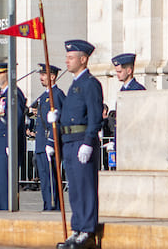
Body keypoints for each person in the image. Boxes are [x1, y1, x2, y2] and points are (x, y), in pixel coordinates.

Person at [56, 39, 104, 249]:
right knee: (74, 188)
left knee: (85, 187)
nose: (67, 60)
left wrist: (88, 142)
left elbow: (95, 116)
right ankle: (77, 228)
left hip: (81, 141)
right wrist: (57, 117)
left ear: (83, 60)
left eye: (71, 57)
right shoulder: (75, 83)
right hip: (69, 141)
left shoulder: (90, 84)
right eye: (67, 57)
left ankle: (87, 230)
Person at [0, 62, 26, 211]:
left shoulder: (14, 94)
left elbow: (16, 119)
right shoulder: (1, 95)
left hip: (5, 145)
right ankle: (0, 212)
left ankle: (7, 212)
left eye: (0, 73)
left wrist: (11, 142)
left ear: (8, 75)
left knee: (5, 184)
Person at [33, 64, 66, 211]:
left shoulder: (57, 95)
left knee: (51, 178)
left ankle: (53, 206)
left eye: (44, 74)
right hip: (41, 143)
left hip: (49, 143)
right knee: (44, 179)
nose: (41, 77)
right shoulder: (44, 96)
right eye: (41, 74)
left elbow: (57, 121)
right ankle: (47, 204)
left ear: (52, 77)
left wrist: (52, 142)